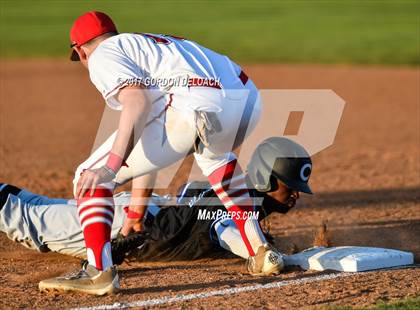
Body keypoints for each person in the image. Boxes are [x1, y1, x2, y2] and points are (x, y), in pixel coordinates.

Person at [1, 137, 312, 285]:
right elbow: (225, 230)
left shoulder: (231, 191)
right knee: (26, 220)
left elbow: (189, 195)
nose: (296, 194)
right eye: (289, 186)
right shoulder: (237, 212)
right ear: (266, 179)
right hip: (120, 224)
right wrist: (266, 254)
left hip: (130, 211)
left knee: (30, 204)